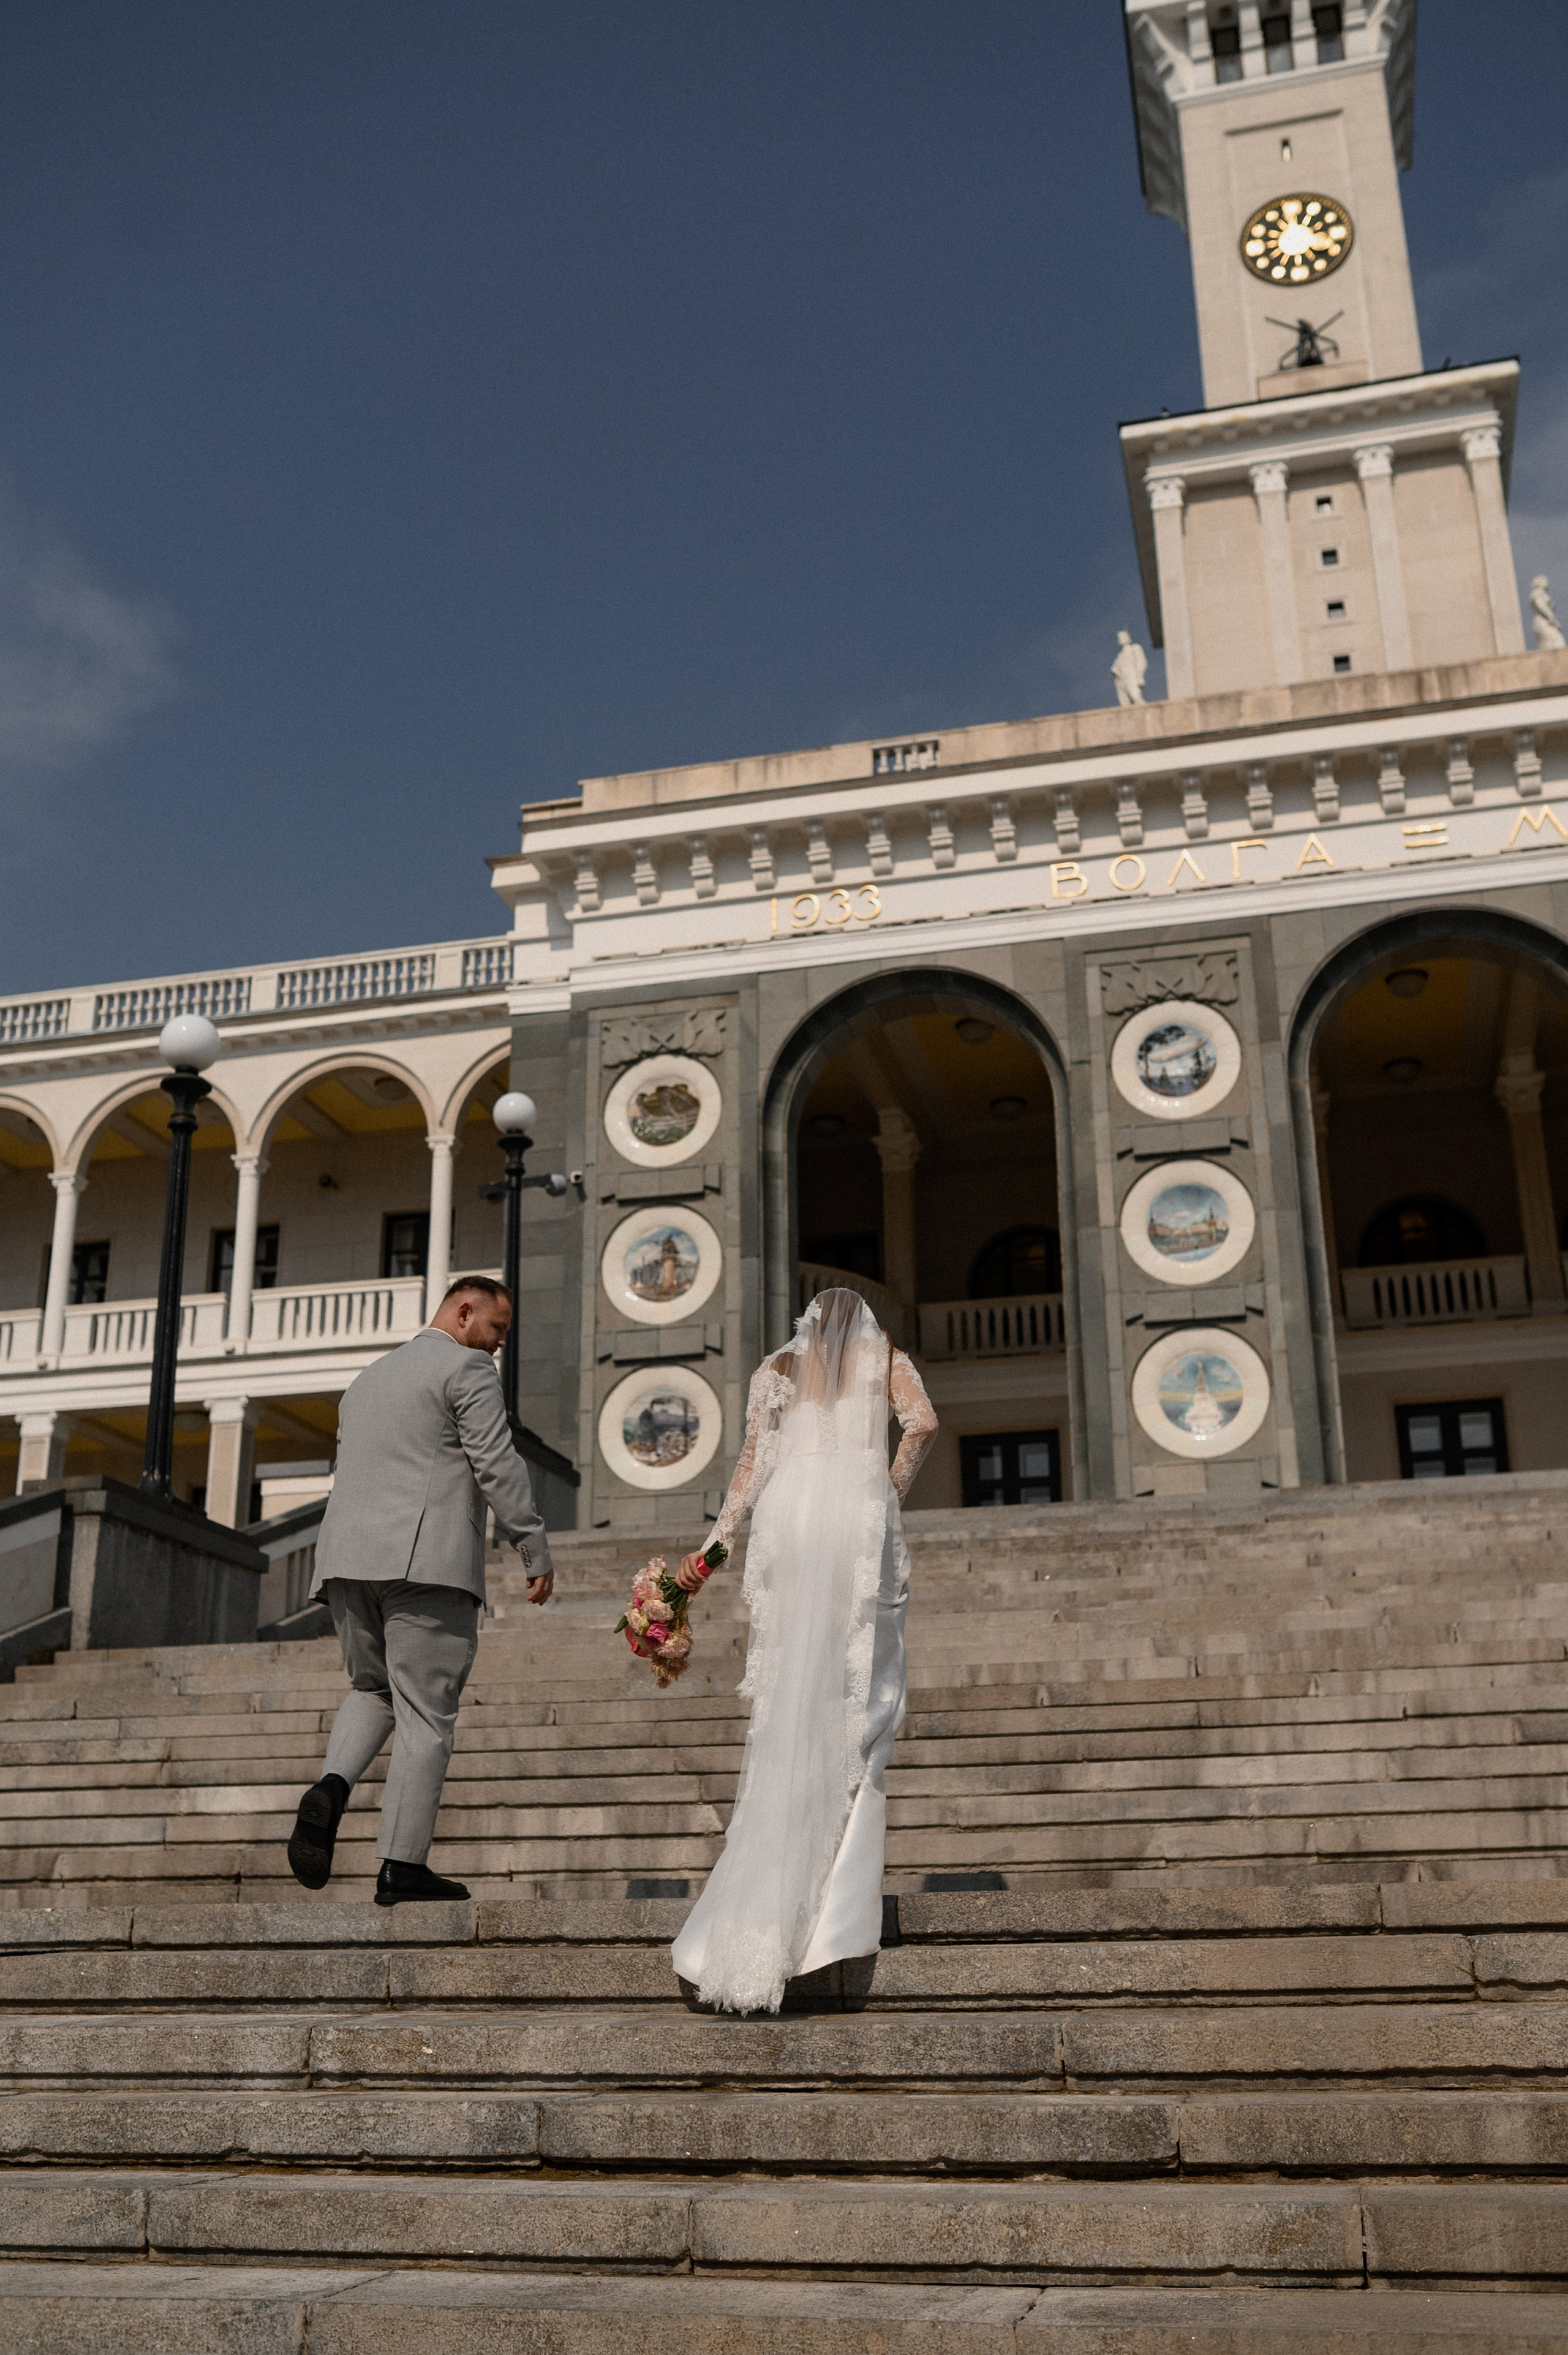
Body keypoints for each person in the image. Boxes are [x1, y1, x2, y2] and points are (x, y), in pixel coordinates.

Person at [669, 1287, 937, 2013]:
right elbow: (922, 1424)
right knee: (862, 1699)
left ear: (808, 1326)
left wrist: (705, 1558)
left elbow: (748, 1475)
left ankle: (757, 1904)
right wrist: (883, 1491)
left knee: (792, 1695)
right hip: (854, 1516)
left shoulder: (778, 1370)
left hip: (791, 1514)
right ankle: (828, 1913)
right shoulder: (886, 1360)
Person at [286, 1274, 554, 1906]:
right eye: (496, 1330)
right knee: (426, 1714)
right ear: (465, 1312)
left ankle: (331, 1785)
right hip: (425, 1564)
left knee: (371, 1688)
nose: (497, 1347)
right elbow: (496, 1461)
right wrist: (532, 1545)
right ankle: (401, 1865)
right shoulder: (466, 1370)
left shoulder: (367, 1380)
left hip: (347, 1566)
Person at [1111, 629, 1148, 706]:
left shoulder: (1135, 648)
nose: (1121, 638)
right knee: (1125, 703)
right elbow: (1115, 669)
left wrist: (1140, 676)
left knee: (1136, 697)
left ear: (1128, 638)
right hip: (1121, 680)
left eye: (1123, 636)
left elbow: (1142, 662)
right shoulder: (1119, 656)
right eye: (1119, 637)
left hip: (1131, 675)